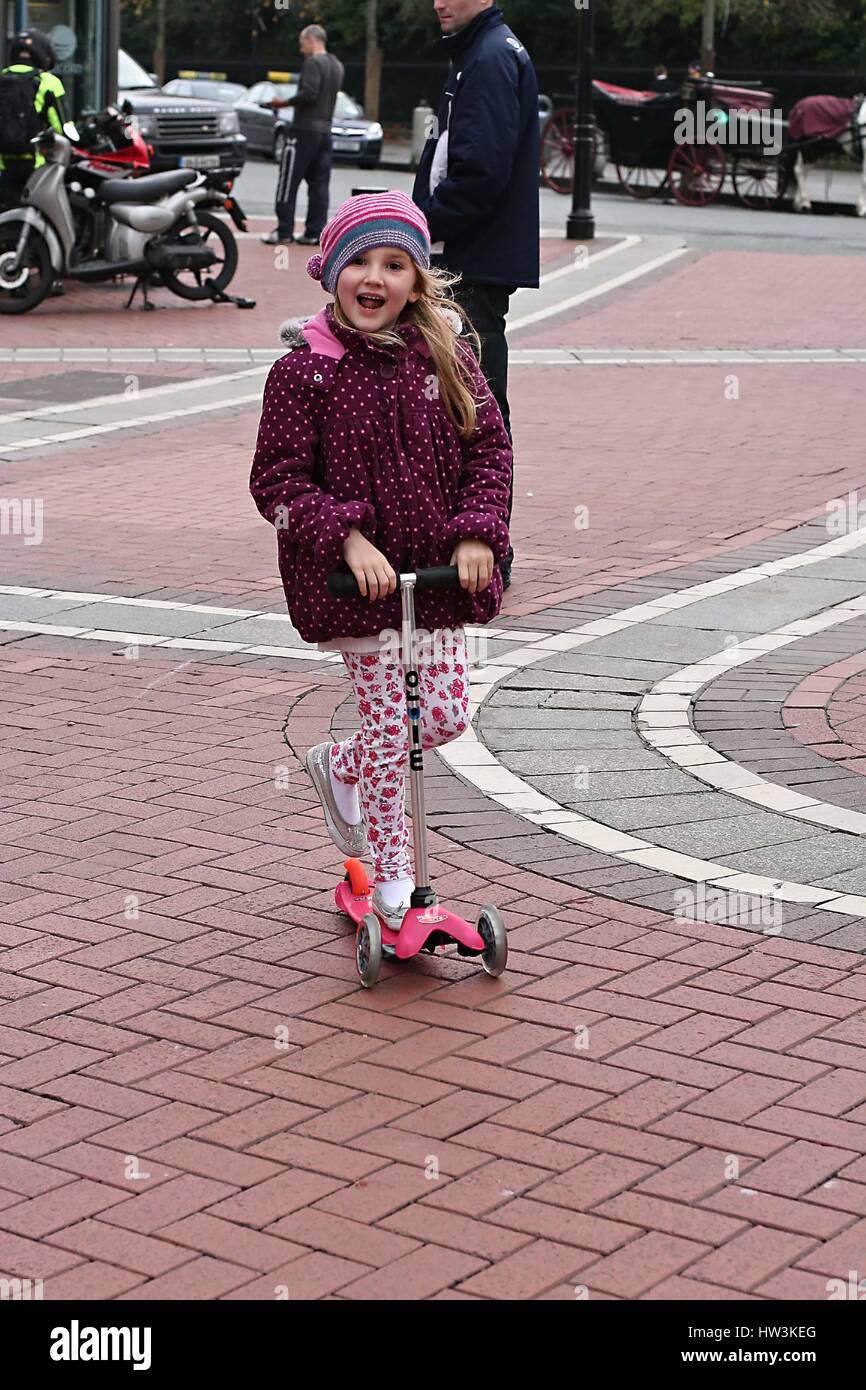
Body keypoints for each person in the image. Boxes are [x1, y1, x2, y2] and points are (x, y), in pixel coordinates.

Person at [250, 191, 511, 930]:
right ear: (331, 272)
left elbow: (488, 448)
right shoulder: (304, 374)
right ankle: (396, 882)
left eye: (395, 264)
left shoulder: (447, 357)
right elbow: (277, 483)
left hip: (434, 581)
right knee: (395, 731)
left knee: (448, 716)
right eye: (359, 261)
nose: (375, 277)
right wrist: (345, 537)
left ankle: (342, 765)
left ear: (417, 280)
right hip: (357, 588)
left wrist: (477, 532)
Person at [412, 0, 539, 591]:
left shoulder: (487, 57)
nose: (439, 2)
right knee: (474, 401)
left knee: (477, 406)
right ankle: (479, 546)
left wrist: (424, 223)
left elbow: (478, 174)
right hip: (476, 258)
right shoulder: (483, 51)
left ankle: (489, 553)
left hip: (471, 263)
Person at [260, 24, 344, 246]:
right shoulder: (337, 65)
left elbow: (310, 93)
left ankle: (283, 231)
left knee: (288, 180)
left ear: (311, 39)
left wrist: (283, 103)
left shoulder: (313, 62)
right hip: (325, 130)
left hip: (304, 130)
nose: (300, 49)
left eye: (301, 42)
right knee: (319, 184)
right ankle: (314, 231)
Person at [0, 29, 66, 208]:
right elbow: (61, 127)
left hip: (3, 165)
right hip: (35, 164)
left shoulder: (2, 77)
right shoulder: (48, 82)